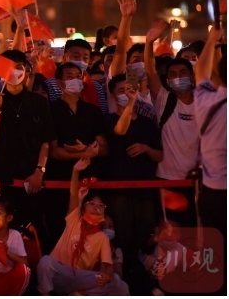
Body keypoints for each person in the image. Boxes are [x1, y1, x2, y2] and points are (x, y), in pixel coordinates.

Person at [0, 50, 54, 246]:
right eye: (9, 68)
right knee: (0, 232)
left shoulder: (39, 102)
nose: (14, 72)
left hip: (30, 180)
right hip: (1, 179)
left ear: (26, 70)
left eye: (19, 67)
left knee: (34, 232)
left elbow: (46, 141)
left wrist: (39, 170)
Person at [37, 157, 129, 295]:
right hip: (61, 273)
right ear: (83, 208)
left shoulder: (102, 237)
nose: (96, 207)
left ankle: (80, 294)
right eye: (92, 203)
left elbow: (108, 266)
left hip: (81, 277)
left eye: (100, 206)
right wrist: (75, 171)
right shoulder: (75, 220)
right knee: (45, 262)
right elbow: (74, 194)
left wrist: (106, 276)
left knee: (116, 281)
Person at [104, 74, 162, 286]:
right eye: (121, 91)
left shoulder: (147, 122)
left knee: (146, 238)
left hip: (145, 190)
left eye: (129, 89)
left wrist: (146, 148)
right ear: (112, 95)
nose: (126, 94)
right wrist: (129, 105)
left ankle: (146, 284)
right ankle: (123, 284)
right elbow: (120, 130)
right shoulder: (109, 119)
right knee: (122, 238)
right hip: (118, 191)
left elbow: (160, 155)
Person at [144, 20, 199, 226]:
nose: (178, 78)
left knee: (199, 233)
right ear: (167, 81)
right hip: (167, 180)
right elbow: (150, 72)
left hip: (198, 182)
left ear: (192, 77)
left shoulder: (203, 102)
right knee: (171, 233)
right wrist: (149, 42)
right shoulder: (165, 100)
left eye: (183, 73)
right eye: (173, 75)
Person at [194, 27, 226, 295]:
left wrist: (211, 41)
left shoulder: (205, 101)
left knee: (217, 255)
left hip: (213, 194)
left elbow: (199, 73)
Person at [44, 39, 109, 114]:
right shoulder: (51, 85)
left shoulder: (96, 86)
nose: (81, 60)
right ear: (65, 58)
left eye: (85, 58)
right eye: (76, 56)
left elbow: (103, 113)